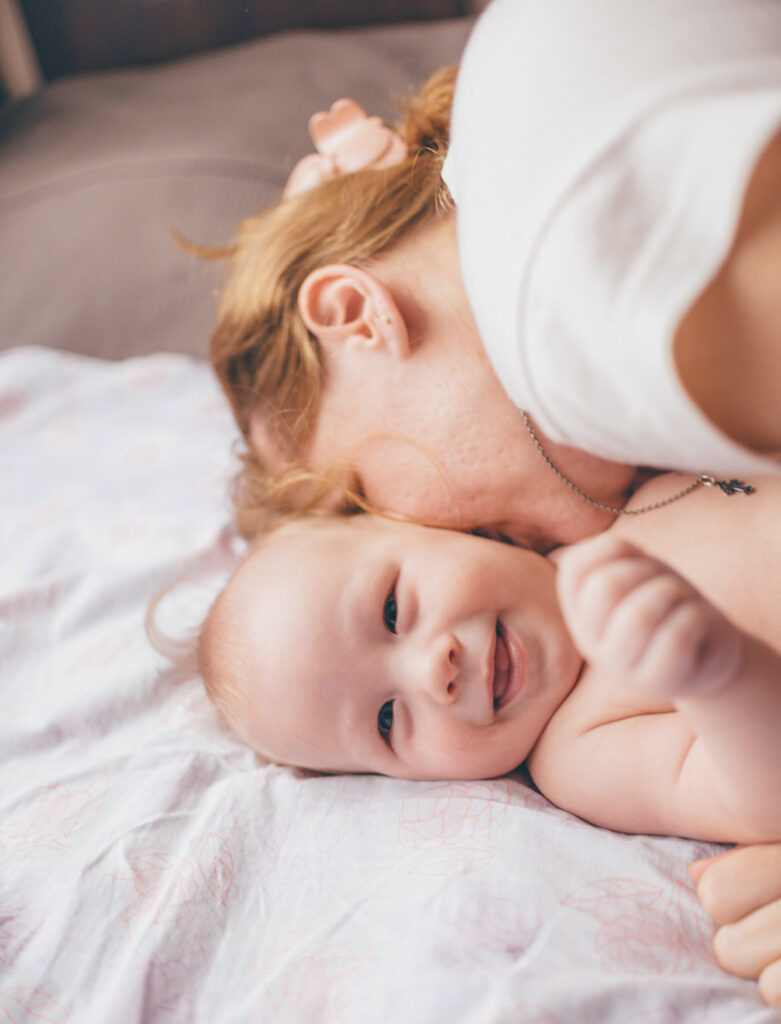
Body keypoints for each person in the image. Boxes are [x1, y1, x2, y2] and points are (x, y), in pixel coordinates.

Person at [192, 471, 781, 1004]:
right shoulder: (581, 750)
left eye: (393, 611)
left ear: (433, 528)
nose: (433, 673)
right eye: (387, 722)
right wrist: (718, 676)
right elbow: (757, 799)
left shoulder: (605, 499)